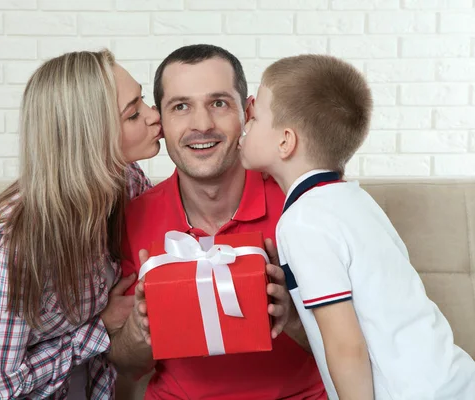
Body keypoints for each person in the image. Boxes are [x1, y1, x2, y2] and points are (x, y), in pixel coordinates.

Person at [238, 54, 475, 400]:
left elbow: (346, 345)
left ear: (286, 141)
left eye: (255, 117)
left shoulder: (302, 221)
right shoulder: (356, 201)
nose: (245, 122)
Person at [0, 49, 162, 400]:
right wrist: (99, 328)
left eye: (145, 101)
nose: (155, 116)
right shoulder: (11, 246)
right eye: (134, 113)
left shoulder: (127, 183)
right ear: (89, 137)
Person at [111, 44, 326, 400]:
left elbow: (357, 344)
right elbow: (127, 367)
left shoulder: (302, 206)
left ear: (248, 111)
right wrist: (138, 329)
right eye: (181, 107)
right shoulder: (134, 218)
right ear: (160, 122)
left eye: (219, 103)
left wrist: (290, 316)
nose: (202, 125)